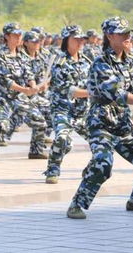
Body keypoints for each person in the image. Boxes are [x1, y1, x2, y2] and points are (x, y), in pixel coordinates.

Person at [67, 17, 133, 219]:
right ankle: (77, 204)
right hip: (101, 125)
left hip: (123, 126)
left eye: (129, 33)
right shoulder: (101, 64)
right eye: (122, 34)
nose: (128, 37)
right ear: (109, 36)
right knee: (103, 164)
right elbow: (118, 94)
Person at [0, 23, 47, 163]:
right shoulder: (0, 55)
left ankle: (36, 151)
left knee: (39, 121)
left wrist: (34, 86)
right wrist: (26, 90)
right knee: (1, 123)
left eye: (19, 35)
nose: (18, 38)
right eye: (15, 35)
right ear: (6, 36)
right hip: (2, 96)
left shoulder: (21, 55)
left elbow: (28, 74)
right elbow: (6, 81)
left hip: (18, 96)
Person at [44, 26, 90, 184]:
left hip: (83, 112)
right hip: (63, 110)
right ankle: (53, 169)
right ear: (66, 41)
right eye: (75, 39)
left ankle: (93, 170)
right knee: (62, 139)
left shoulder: (87, 61)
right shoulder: (60, 63)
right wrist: (94, 92)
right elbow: (71, 91)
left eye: (81, 39)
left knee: (102, 141)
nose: (80, 42)